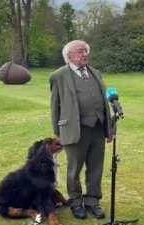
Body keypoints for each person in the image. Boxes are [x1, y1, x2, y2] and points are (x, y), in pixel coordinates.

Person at [49, 40, 111, 219]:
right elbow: (55, 106)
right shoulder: (58, 76)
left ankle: (93, 201)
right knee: (74, 169)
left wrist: (109, 129)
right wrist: (59, 132)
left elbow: (104, 103)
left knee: (96, 167)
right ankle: (76, 203)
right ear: (69, 56)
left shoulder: (96, 73)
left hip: (97, 128)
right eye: (79, 52)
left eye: (85, 51)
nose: (84, 54)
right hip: (74, 130)